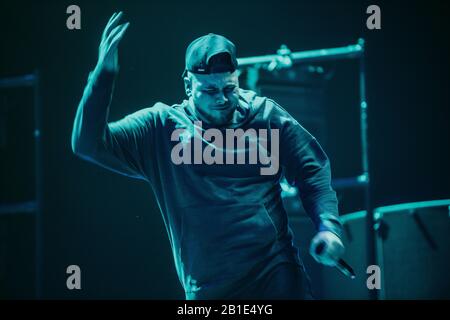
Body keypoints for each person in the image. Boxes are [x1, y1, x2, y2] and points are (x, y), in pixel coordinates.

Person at [71, 11, 345, 300]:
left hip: (276, 276)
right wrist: (102, 79)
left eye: (229, 88)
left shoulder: (265, 116)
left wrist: (329, 228)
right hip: (210, 290)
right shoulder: (160, 127)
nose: (222, 98)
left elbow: (311, 167)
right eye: (210, 90)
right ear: (188, 85)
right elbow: (88, 144)